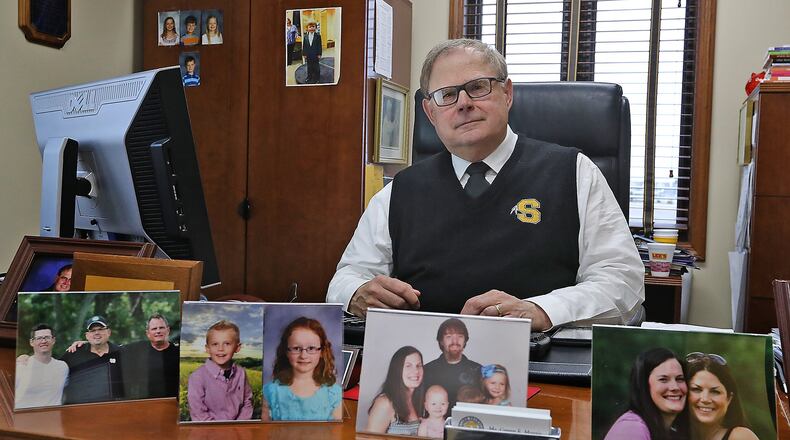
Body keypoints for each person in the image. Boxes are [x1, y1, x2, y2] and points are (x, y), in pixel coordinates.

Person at [326, 38, 644, 331]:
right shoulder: (400, 190)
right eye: (447, 95)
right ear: (430, 111)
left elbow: (623, 283)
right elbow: (346, 278)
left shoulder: (574, 172)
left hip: (541, 362)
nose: (463, 103)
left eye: (478, 87)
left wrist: (541, 310)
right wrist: (356, 292)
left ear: (507, 93)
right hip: (422, 366)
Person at [262, 317, 342, 421]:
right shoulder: (270, 392)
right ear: (286, 351)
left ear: (322, 351)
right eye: (296, 348)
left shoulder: (334, 393)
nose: (303, 356)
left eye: (311, 348)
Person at [604, 348, 687, 440]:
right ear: (644, 385)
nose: (675, 387)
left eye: (680, 379)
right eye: (663, 379)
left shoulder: (669, 432)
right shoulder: (632, 428)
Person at [187, 320, 253, 421]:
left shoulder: (241, 373)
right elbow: (198, 412)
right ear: (207, 348)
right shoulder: (197, 377)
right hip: (209, 432)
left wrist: (238, 426)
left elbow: (247, 402)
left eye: (227, 343)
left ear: (237, 347)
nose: (220, 349)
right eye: (215, 344)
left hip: (237, 430)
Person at [685, 352, 758, 440]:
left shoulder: (740, 436)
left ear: (729, 399)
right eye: (696, 389)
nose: (705, 399)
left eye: (715, 391)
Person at [60, 315, 124, 404]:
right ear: (87, 335)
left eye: (101, 329)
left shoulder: (121, 353)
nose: (97, 333)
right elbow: (56, 375)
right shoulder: (74, 354)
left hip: (115, 410)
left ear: (109, 332)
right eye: (92, 330)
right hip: (83, 411)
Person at [423, 318, 481, 409]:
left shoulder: (479, 370)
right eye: (449, 336)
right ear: (441, 341)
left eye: (460, 336)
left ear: (465, 340)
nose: (455, 342)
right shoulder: (426, 371)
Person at [366, 346, 425, 435]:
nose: (416, 371)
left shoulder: (421, 401)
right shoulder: (384, 403)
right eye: (408, 366)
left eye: (419, 365)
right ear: (397, 370)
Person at [121, 313, 180, 399]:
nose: (158, 331)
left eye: (161, 328)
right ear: (148, 333)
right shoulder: (138, 350)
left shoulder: (178, 352)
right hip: (147, 404)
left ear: (168, 330)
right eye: (154, 329)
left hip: (173, 403)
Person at [15, 324, 68, 409]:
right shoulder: (21, 367)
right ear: (31, 342)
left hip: (52, 419)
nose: (43, 341)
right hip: (25, 419)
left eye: (47, 337)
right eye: (39, 338)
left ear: (53, 340)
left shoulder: (63, 367)